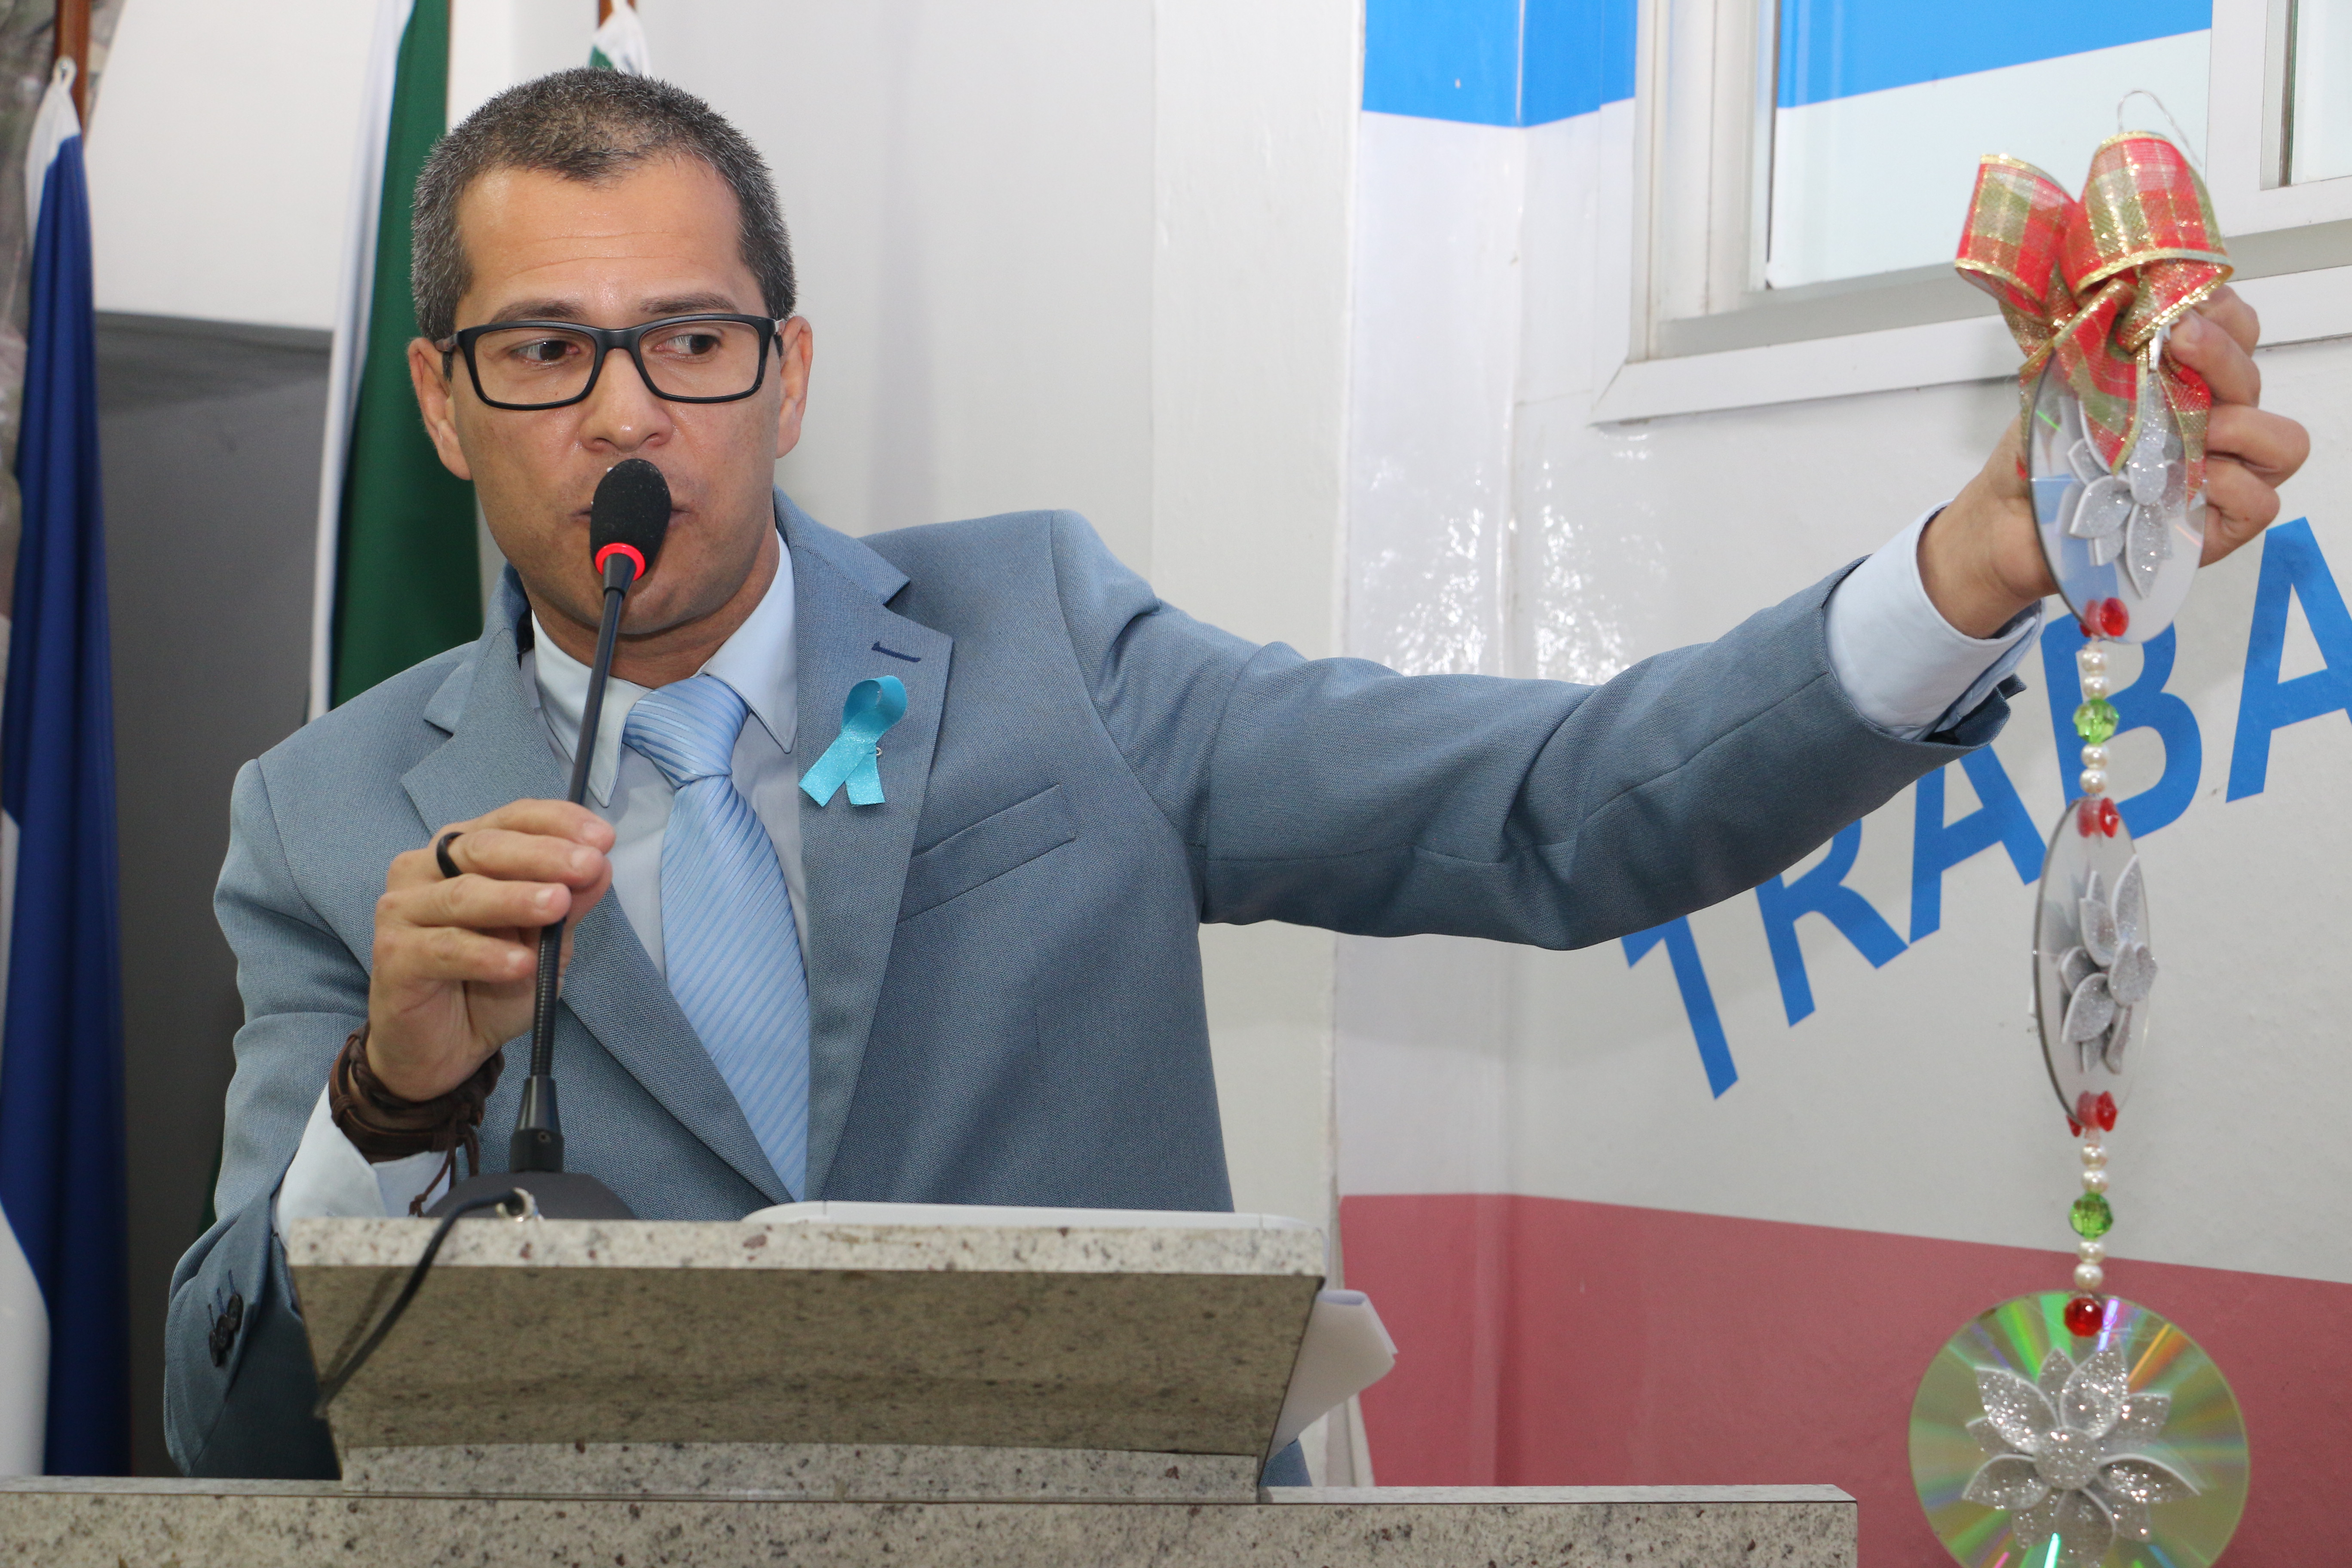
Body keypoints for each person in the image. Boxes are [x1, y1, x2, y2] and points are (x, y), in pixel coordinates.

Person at [163, 70, 2309, 1479]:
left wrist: (1967, 572)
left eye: (693, 342)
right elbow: (232, 1430)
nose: (630, 418)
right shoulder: (327, 819)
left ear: (787, 375)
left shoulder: (1042, 636)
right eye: (547, 351)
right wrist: (394, 1098)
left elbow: (1553, 810)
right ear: (443, 402)